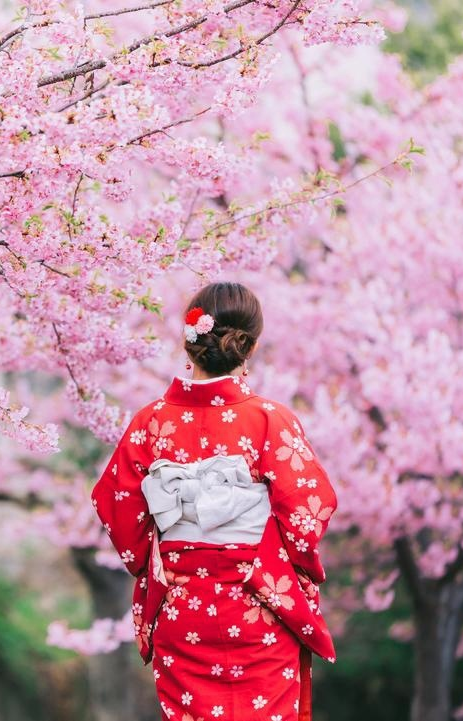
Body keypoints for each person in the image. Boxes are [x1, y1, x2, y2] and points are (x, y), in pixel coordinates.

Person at [90, 281, 339, 721]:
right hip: (258, 604)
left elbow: (116, 506)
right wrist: (273, 561)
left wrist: (170, 554)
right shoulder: (269, 420)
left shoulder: (151, 422)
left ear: (190, 342)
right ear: (251, 345)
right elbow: (308, 510)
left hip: (184, 611)